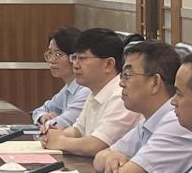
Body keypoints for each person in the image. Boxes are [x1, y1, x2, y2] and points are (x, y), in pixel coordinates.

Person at [93, 41, 192, 173]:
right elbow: (99, 158)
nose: (121, 83)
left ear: (155, 82)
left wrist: (116, 165)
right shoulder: (149, 120)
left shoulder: (177, 122)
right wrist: (113, 157)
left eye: (127, 75)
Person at [41, 28, 139, 156]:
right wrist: (54, 135)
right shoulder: (94, 91)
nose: (75, 65)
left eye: (82, 58)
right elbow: (78, 130)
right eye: (74, 58)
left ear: (108, 64)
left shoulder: (121, 96)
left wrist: (60, 141)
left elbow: (96, 145)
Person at [32, 27, 90, 129]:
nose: (52, 60)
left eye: (59, 54)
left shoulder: (86, 90)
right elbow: (39, 111)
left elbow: (62, 124)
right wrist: (43, 117)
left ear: (75, 57)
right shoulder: (69, 88)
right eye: (50, 53)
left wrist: (49, 122)